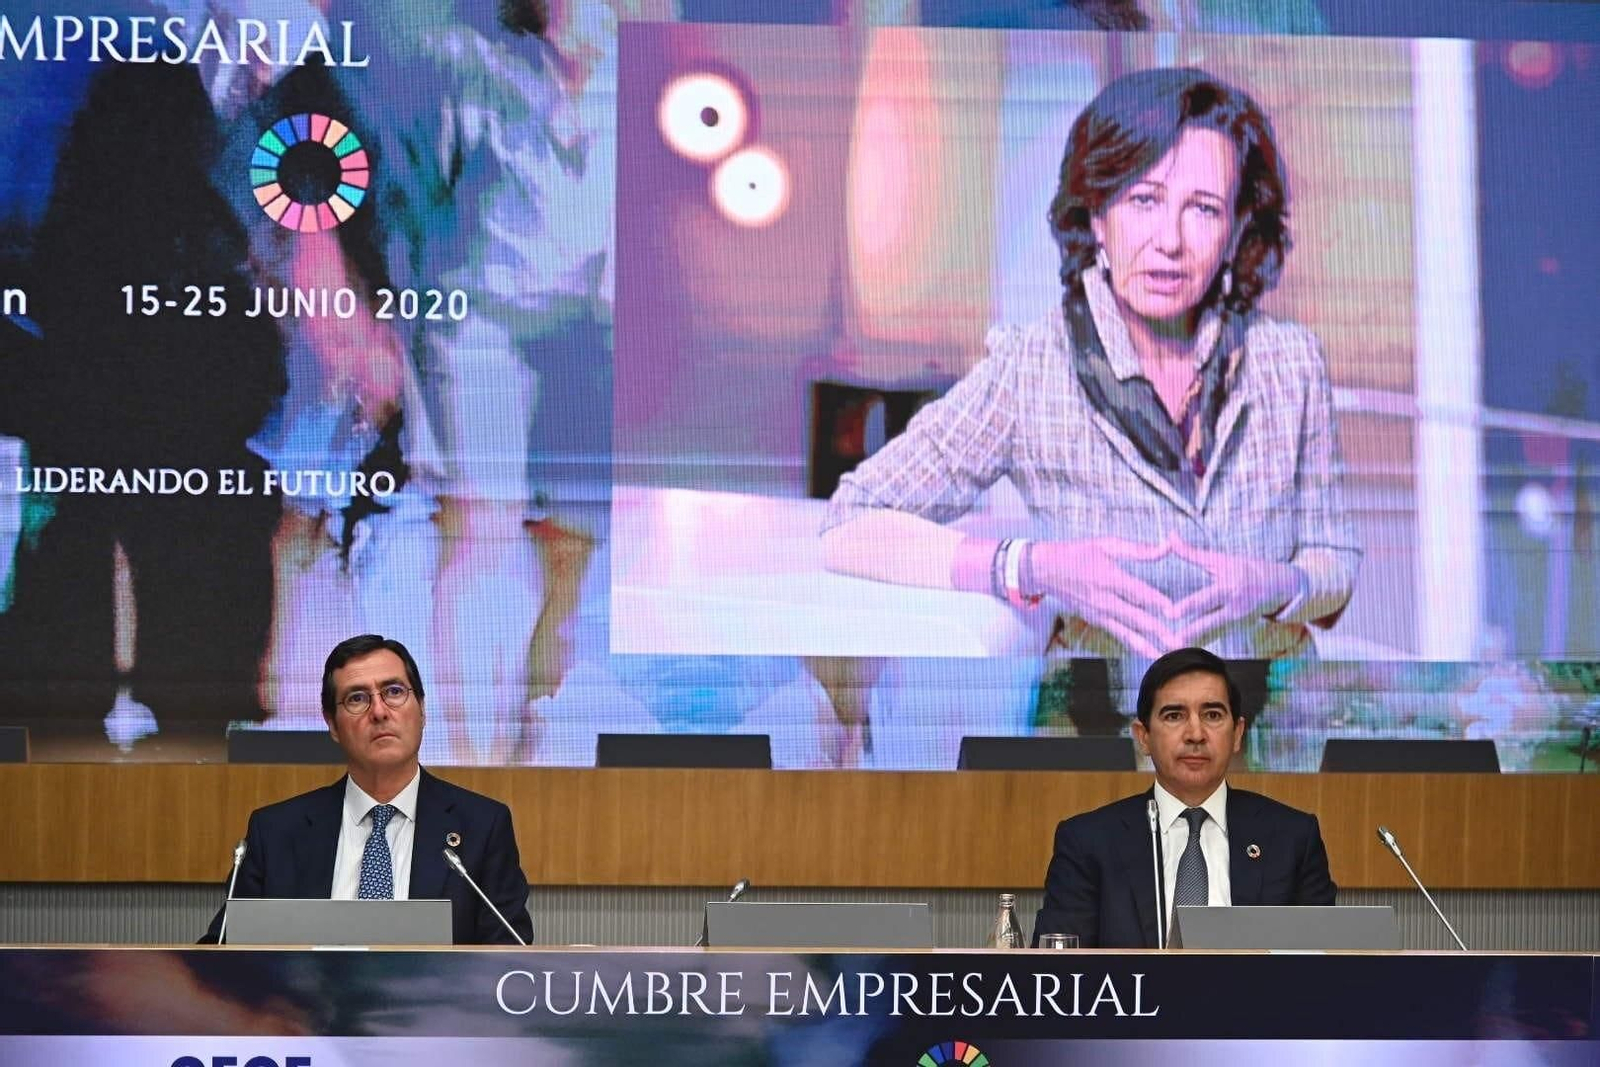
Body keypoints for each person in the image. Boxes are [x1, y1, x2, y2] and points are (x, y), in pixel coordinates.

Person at [821, 66, 1360, 661]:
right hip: (1101, 725)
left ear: (1236, 232)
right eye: (1144, 200)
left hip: (1272, 719)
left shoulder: (1289, 361)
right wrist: (1031, 565)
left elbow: (1333, 563)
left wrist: (1281, 585)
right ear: (1097, 216)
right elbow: (850, 526)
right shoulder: (1033, 366)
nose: (1170, 240)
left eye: (1203, 209)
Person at [201, 634, 533, 944]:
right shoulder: (276, 833)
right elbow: (220, 956)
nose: (379, 712)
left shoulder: (482, 827)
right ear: (332, 725)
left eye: (394, 692)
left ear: (422, 708)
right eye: (357, 698)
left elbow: (508, 964)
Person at [1033, 647, 1334, 948]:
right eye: (1174, 715)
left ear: (1238, 733)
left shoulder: (1293, 838)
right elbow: (1058, 974)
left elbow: (1328, 963)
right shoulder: (1088, 842)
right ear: (1143, 737)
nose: (1195, 734)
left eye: (1212, 715)